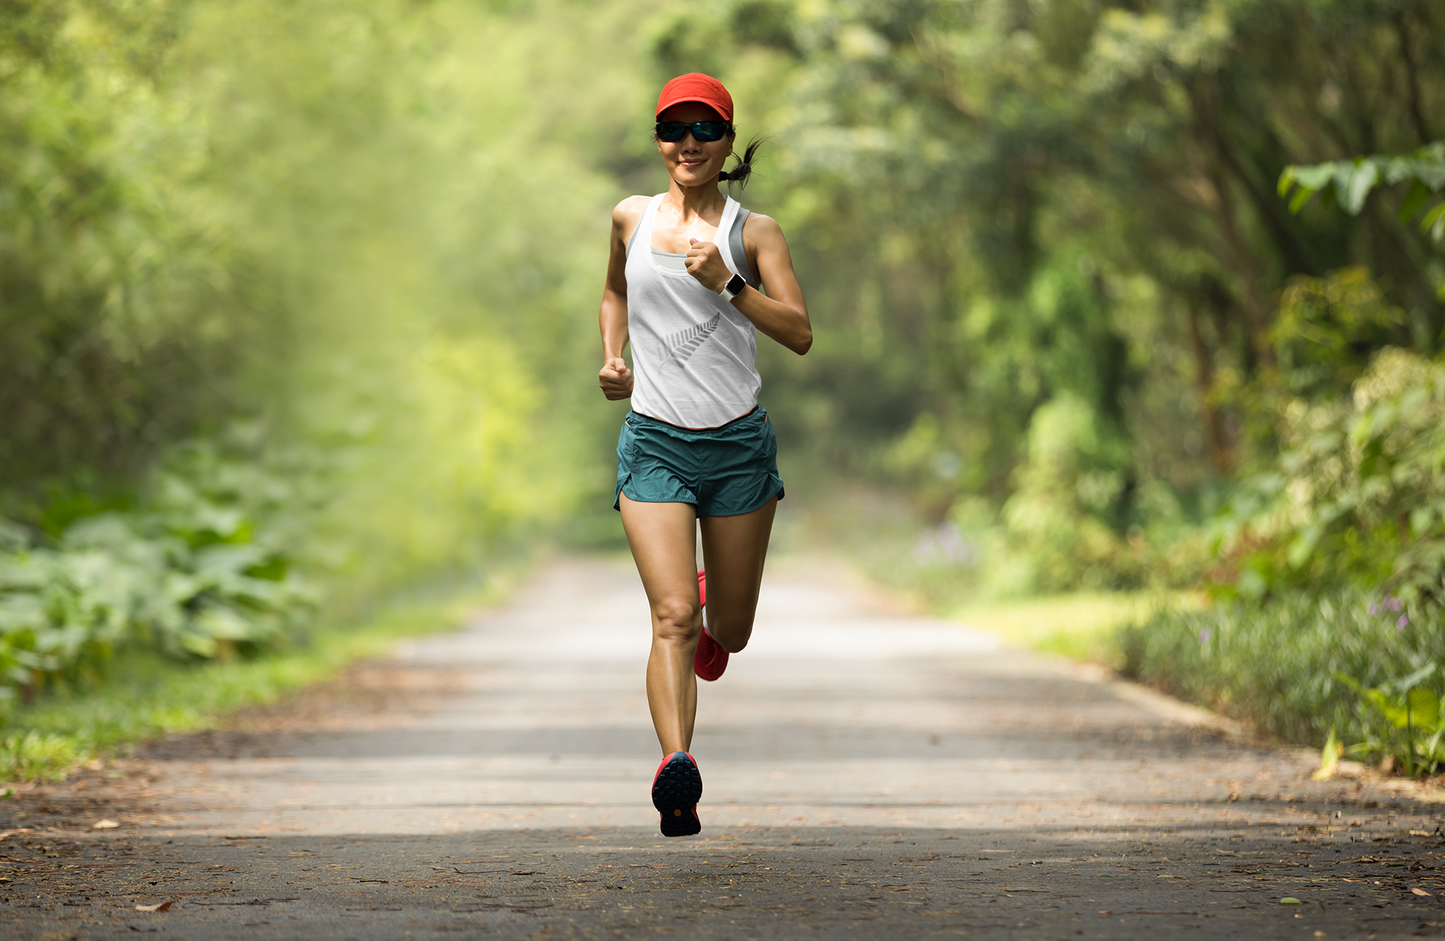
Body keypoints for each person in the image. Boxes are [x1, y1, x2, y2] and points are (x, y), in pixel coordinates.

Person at [596, 73, 812, 838]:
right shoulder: (629, 218)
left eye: (704, 129)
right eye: (672, 128)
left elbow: (798, 332)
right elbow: (614, 293)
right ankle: (675, 769)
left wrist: (729, 285)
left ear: (725, 143)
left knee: (732, 626)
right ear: (657, 138)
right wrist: (613, 358)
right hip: (654, 440)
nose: (687, 142)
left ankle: (712, 598)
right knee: (672, 617)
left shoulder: (755, 233)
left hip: (737, 448)